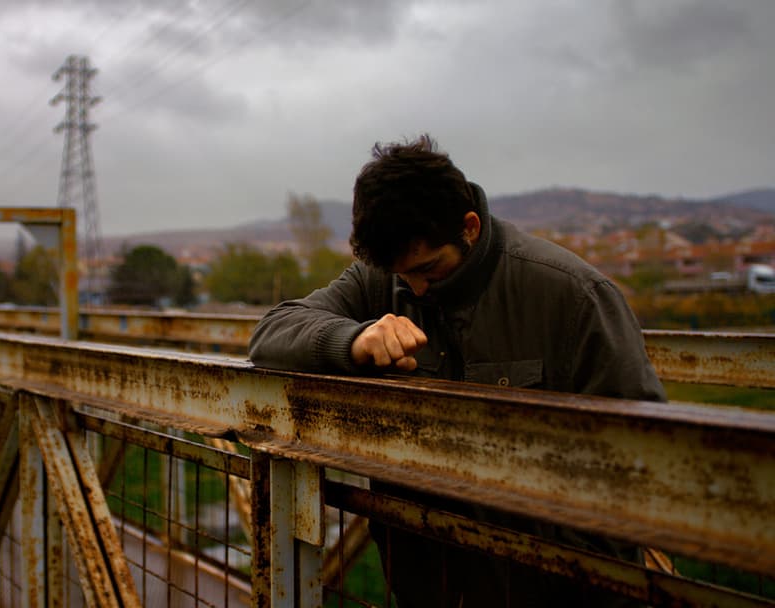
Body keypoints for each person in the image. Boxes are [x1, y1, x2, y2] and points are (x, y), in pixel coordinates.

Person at [248, 135, 666, 607]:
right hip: (426, 585)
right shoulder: (385, 276)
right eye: (403, 276)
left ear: (468, 227)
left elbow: (641, 461)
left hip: (550, 588)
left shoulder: (573, 296)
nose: (416, 289)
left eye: (429, 269)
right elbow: (271, 333)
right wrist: (354, 340)